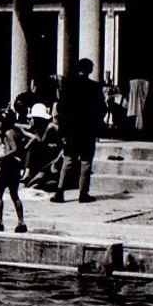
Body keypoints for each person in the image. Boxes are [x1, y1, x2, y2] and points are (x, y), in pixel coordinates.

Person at [52, 57, 104, 203]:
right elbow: (102, 108)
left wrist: (63, 131)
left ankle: (60, 191)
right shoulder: (95, 87)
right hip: (87, 130)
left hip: (72, 131)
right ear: (90, 70)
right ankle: (83, 193)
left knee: (68, 160)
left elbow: (61, 109)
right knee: (86, 162)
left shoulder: (68, 86)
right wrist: (96, 123)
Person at [0, 107, 28, 233]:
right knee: (14, 194)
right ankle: (21, 222)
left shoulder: (9, 133)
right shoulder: (14, 132)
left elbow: (13, 150)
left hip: (8, 166)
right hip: (15, 166)